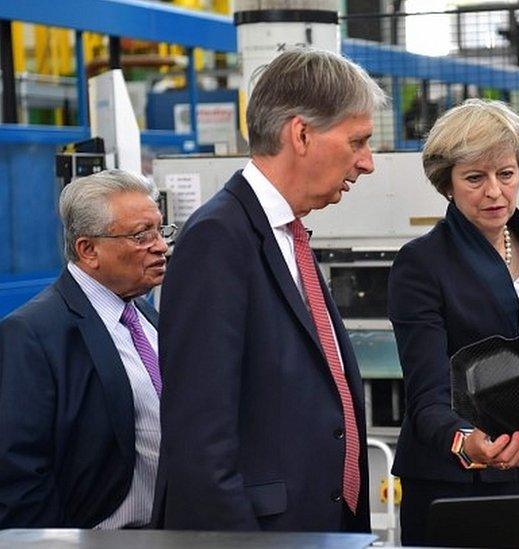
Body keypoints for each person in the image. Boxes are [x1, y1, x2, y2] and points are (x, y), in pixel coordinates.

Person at [153, 48, 386, 532]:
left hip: (317, 523)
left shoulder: (285, 235)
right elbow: (201, 443)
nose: (367, 163)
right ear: (300, 134)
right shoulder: (217, 240)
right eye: (357, 141)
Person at [387, 99, 519, 545]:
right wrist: (465, 441)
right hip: (455, 482)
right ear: (447, 184)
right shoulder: (420, 262)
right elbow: (427, 391)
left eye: (506, 174)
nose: (494, 192)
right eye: (474, 178)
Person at [0, 170, 169, 528]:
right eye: (142, 236)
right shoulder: (32, 334)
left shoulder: (145, 315)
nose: (160, 246)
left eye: (160, 230)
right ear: (88, 250)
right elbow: (19, 471)